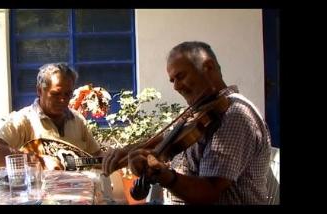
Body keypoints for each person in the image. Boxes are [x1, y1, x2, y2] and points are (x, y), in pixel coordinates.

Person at [102, 41, 271, 204]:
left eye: (180, 76)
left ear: (208, 67)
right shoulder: (202, 113)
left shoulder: (233, 115)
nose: (175, 86)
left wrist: (166, 176)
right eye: (172, 80)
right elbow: (164, 141)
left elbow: (209, 193)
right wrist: (126, 152)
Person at [0, 63, 103, 169]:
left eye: (67, 94)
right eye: (56, 94)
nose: (62, 100)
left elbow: (97, 156)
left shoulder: (78, 120)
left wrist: (114, 159)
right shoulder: (24, 120)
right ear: (39, 90)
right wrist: (37, 161)